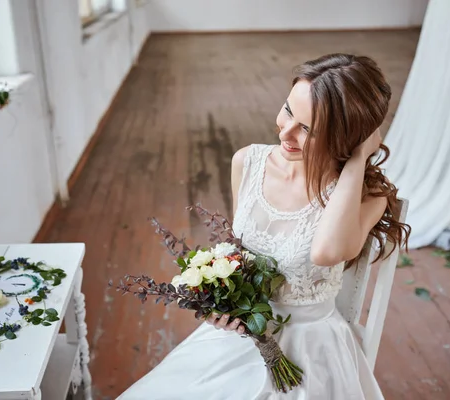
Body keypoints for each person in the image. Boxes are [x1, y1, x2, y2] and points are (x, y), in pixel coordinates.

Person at [117, 53, 410, 400]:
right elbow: (243, 257)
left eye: (308, 129)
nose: (285, 132)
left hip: (311, 348)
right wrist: (225, 306)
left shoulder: (366, 196)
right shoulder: (248, 162)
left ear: (348, 138)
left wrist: (358, 159)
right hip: (243, 335)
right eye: (288, 110)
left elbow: (327, 251)